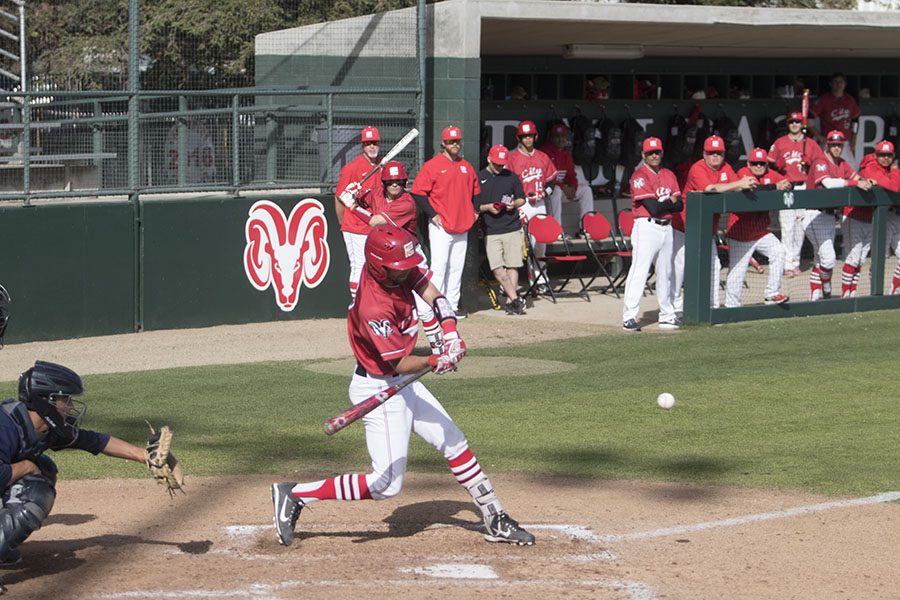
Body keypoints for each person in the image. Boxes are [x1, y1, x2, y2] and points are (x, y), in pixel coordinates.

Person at [271, 224, 534, 548]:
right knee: (385, 485)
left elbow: (434, 296)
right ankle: (295, 494)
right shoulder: (374, 305)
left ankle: (495, 517)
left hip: (401, 381)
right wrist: (435, 359)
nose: (404, 274)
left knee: (453, 440)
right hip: (379, 389)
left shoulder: (396, 268)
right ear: (380, 266)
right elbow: (399, 363)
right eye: (397, 270)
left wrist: (449, 333)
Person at [0, 360, 179, 590]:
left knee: (42, 472)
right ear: (45, 401)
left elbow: (94, 441)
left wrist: (144, 455)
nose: (70, 406)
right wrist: (25, 466)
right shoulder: (5, 426)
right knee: (32, 486)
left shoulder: (45, 429)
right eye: (65, 399)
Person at [345, 161, 444, 353]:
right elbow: (363, 198)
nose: (395, 185)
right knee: (389, 303)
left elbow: (375, 221)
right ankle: (386, 345)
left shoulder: (406, 203)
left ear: (404, 182)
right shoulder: (376, 193)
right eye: (390, 182)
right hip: (390, 260)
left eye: (399, 181)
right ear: (384, 183)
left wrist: (352, 207)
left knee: (423, 307)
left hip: (410, 255)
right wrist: (353, 192)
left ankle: (439, 347)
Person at [673, 135, 757, 313]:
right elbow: (710, 189)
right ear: (704, 153)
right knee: (680, 267)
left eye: (718, 153)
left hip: (706, 228)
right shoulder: (697, 168)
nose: (715, 156)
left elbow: (738, 185)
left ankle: (712, 306)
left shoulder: (726, 168)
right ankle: (675, 308)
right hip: (684, 227)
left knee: (714, 265)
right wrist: (738, 184)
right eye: (711, 153)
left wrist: (746, 183)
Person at [411, 126, 480, 316]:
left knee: (456, 268)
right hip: (441, 226)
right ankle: (432, 307)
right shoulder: (432, 165)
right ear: (443, 144)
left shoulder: (466, 166)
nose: (455, 144)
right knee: (439, 268)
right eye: (451, 141)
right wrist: (433, 214)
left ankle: (452, 306)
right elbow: (418, 192)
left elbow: (476, 191)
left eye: (457, 141)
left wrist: (475, 211)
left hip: (462, 225)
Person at [621, 137, 683, 332]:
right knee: (639, 271)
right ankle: (629, 316)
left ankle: (667, 315)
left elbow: (680, 204)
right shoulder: (639, 176)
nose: (654, 155)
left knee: (666, 273)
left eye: (657, 152)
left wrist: (667, 202)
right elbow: (653, 208)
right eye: (650, 153)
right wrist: (669, 201)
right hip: (646, 227)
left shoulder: (669, 174)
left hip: (667, 227)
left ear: (662, 153)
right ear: (643, 155)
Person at [805, 130, 872, 301]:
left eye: (839, 145)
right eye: (833, 144)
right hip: (813, 214)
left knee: (820, 258)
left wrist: (867, 180)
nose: (836, 148)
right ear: (828, 145)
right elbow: (828, 183)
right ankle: (825, 288)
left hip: (829, 216)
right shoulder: (821, 161)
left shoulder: (842, 163)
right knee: (828, 258)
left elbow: (857, 176)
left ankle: (817, 294)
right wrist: (855, 183)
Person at [725, 148, 791, 307]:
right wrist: (776, 186)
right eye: (755, 163)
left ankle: (771, 293)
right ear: (749, 163)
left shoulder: (770, 174)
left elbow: (786, 181)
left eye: (762, 163)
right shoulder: (743, 172)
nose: (759, 166)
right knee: (737, 273)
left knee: (779, 251)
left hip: (760, 231)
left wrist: (786, 184)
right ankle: (731, 307)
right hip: (740, 231)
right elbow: (754, 189)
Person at [769, 111, 825, 278]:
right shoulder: (780, 143)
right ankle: (787, 264)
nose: (794, 124)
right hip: (787, 188)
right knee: (787, 227)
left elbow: (821, 164)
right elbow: (768, 165)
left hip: (803, 188)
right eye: (792, 122)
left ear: (802, 124)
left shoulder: (811, 144)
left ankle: (795, 262)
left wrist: (810, 165)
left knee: (800, 228)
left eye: (797, 122)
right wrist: (778, 168)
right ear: (788, 124)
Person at [505, 120, 558, 292]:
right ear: (519, 138)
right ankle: (511, 283)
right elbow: (505, 183)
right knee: (519, 243)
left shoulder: (542, 157)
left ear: (535, 136)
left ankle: (540, 280)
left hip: (539, 203)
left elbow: (552, 180)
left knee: (540, 242)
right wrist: (512, 205)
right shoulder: (512, 158)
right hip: (522, 203)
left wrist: (546, 193)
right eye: (524, 136)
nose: (528, 139)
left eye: (530, 136)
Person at [475, 145, 527, 315]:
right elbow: (475, 206)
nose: (499, 167)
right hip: (491, 229)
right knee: (497, 268)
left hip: (511, 226)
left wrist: (513, 204)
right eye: (496, 163)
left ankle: (511, 302)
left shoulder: (510, 176)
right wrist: (488, 207)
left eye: (502, 164)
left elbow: (521, 198)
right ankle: (516, 298)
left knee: (512, 266)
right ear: (489, 159)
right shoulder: (479, 177)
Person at [844, 140, 899, 297]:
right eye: (882, 155)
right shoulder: (870, 167)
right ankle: (852, 295)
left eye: (889, 155)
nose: (885, 158)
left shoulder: (887, 169)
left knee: (859, 260)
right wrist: (895, 170)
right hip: (855, 215)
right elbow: (895, 187)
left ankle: (893, 291)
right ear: (876, 155)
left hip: (873, 217)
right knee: (858, 259)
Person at [335, 126, 382, 299]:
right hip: (355, 226)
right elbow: (340, 197)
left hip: (374, 225)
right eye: (368, 143)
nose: (371, 147)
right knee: (359, 265)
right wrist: (343, 222)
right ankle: (357, 304)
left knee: (373, 266)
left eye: (374, 143)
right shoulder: (351, 168)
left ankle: (370, 303)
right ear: (362, 146)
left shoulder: (381, 165)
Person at [541, 123, 595, 238]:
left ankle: (585, 228)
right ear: (551, 138)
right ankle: (556, 231)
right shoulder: (544, 152)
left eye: (563, 137)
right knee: (555, 190)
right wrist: (563, 187)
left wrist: (573, 188)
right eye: (557, 136)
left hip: (562, 192)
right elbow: (545, 178)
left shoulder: (566, 154)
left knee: (586, 190)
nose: (561, 139)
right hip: (546, 195)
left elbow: (571, 175)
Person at [811, 73, 861, 157]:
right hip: (829, 142)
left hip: (845, 141)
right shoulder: (824, 99)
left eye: (841, 82)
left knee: (850, 168)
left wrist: (854, 138)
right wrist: (818, 136)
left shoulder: (849, 100)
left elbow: (855, 120)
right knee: (827, 167)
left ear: (845, 84)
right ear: (831, 84)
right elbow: (809, 117)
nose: (838, 84)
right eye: (836, 82)